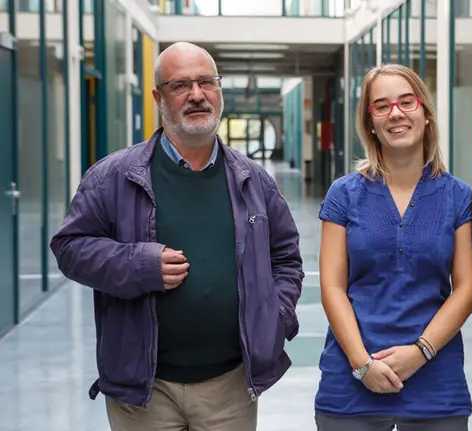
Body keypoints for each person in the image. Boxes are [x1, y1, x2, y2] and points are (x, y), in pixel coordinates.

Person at [49, 42, 304, 430]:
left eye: (207, 82)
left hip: (230, 387)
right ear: (158, 97)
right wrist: (138, 265)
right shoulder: (112, 177)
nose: (197, 94)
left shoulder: (254, 181)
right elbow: (69, 248)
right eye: (180, 85)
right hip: (144, 390)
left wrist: (276, 317)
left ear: (219, 90)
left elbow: (285, 257)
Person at [313, 63, 472, 431]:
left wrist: (421, 351)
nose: (396, 114)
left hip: (436, 382)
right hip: (350, 381)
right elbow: (332, 288)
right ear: (370, 121)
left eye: (407, 102)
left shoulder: (458, 196)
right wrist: (362, 365)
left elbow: (467, 289)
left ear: (425, 114)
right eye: (382, 106)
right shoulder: (344, 194)